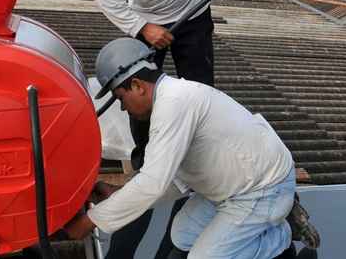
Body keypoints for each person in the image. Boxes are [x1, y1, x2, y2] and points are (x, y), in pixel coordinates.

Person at [90, 0, 289, 257]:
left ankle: (193, 166)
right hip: (145, 27)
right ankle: (152, 166)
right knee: (139, 106)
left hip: (192, 20)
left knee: (197, 95)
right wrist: (141, 28)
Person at [64, 39, 319, 258]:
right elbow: (168, 180)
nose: (122, 108)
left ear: (138, 86)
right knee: (182, 234)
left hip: (262, 187)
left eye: (121, 98)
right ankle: (268, 223)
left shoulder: (174, 103)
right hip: (234, 181)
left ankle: (279, 236)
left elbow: (152, 184)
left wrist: (89, 222)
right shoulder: (170, 102)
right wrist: (119, 193)